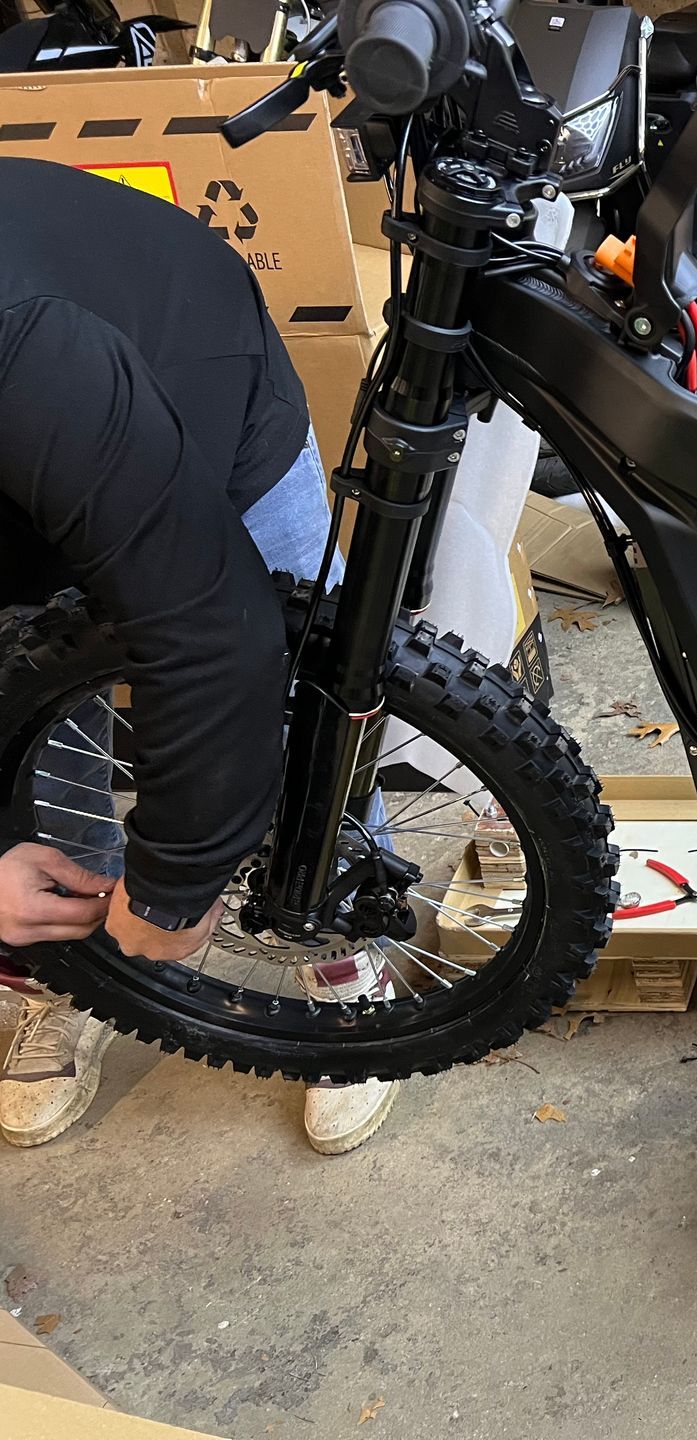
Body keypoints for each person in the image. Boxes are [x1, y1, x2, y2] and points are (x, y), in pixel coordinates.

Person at [0, 157, 401, 1154]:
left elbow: (215, 636)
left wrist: (174, 893)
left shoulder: (29, 349)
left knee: (308, 690)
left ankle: (337, 936)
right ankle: (63, 956)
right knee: (33, 724)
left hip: (186, 376)